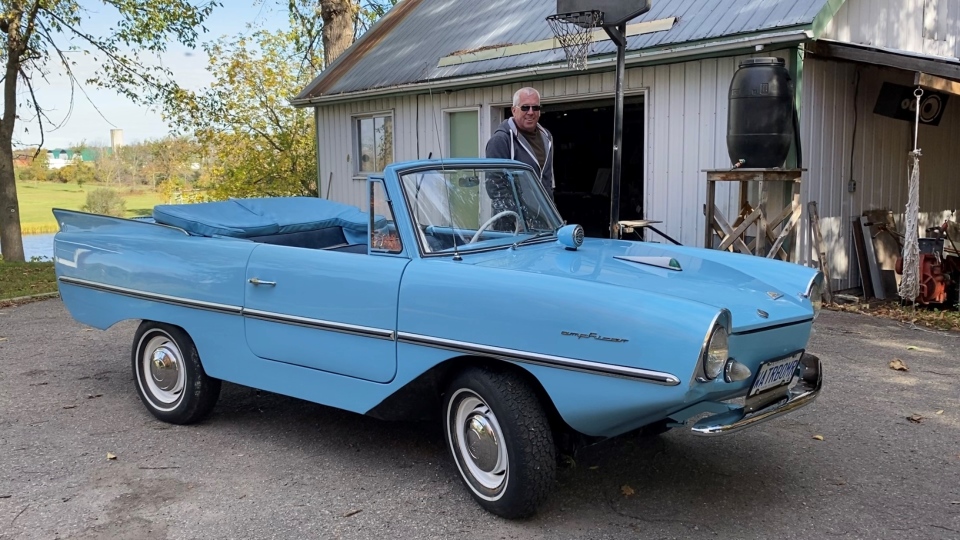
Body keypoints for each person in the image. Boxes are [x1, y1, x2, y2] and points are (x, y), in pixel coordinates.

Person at [485, 87, 555, 201]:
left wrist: (551, 213)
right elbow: (495, 188)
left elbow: (548, 181)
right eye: (525, 107)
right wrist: (519, 216)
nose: (531, 112)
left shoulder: (547, 137)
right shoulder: (501, 140)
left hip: (542, 217)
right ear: (514, 110)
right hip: (514, 217)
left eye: (535, 107)